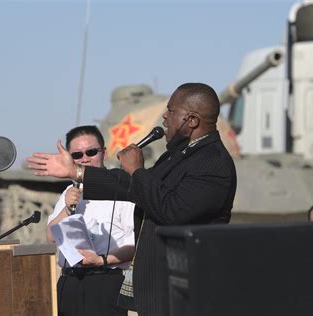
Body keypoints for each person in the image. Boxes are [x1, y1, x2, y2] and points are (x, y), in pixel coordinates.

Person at [27, 83, 237, 316]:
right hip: (160, 287)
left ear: (192, 120)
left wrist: (137, 171)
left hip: (185, 288)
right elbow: (131, 187)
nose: (164, 116)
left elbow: (172, 211)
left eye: (171, 110)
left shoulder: (212, 162)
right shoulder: (178, 155)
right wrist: (77, 172)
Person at [46, 125, 135, 316]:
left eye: (91, 152)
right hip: (69, 282)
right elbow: (51, 237)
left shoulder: (122, 191)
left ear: (104, 152)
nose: (84, 158)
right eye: (77, 155)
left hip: (105, 281)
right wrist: (67, 208)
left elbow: (132, 246)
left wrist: (100, 260)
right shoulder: (67, 193)